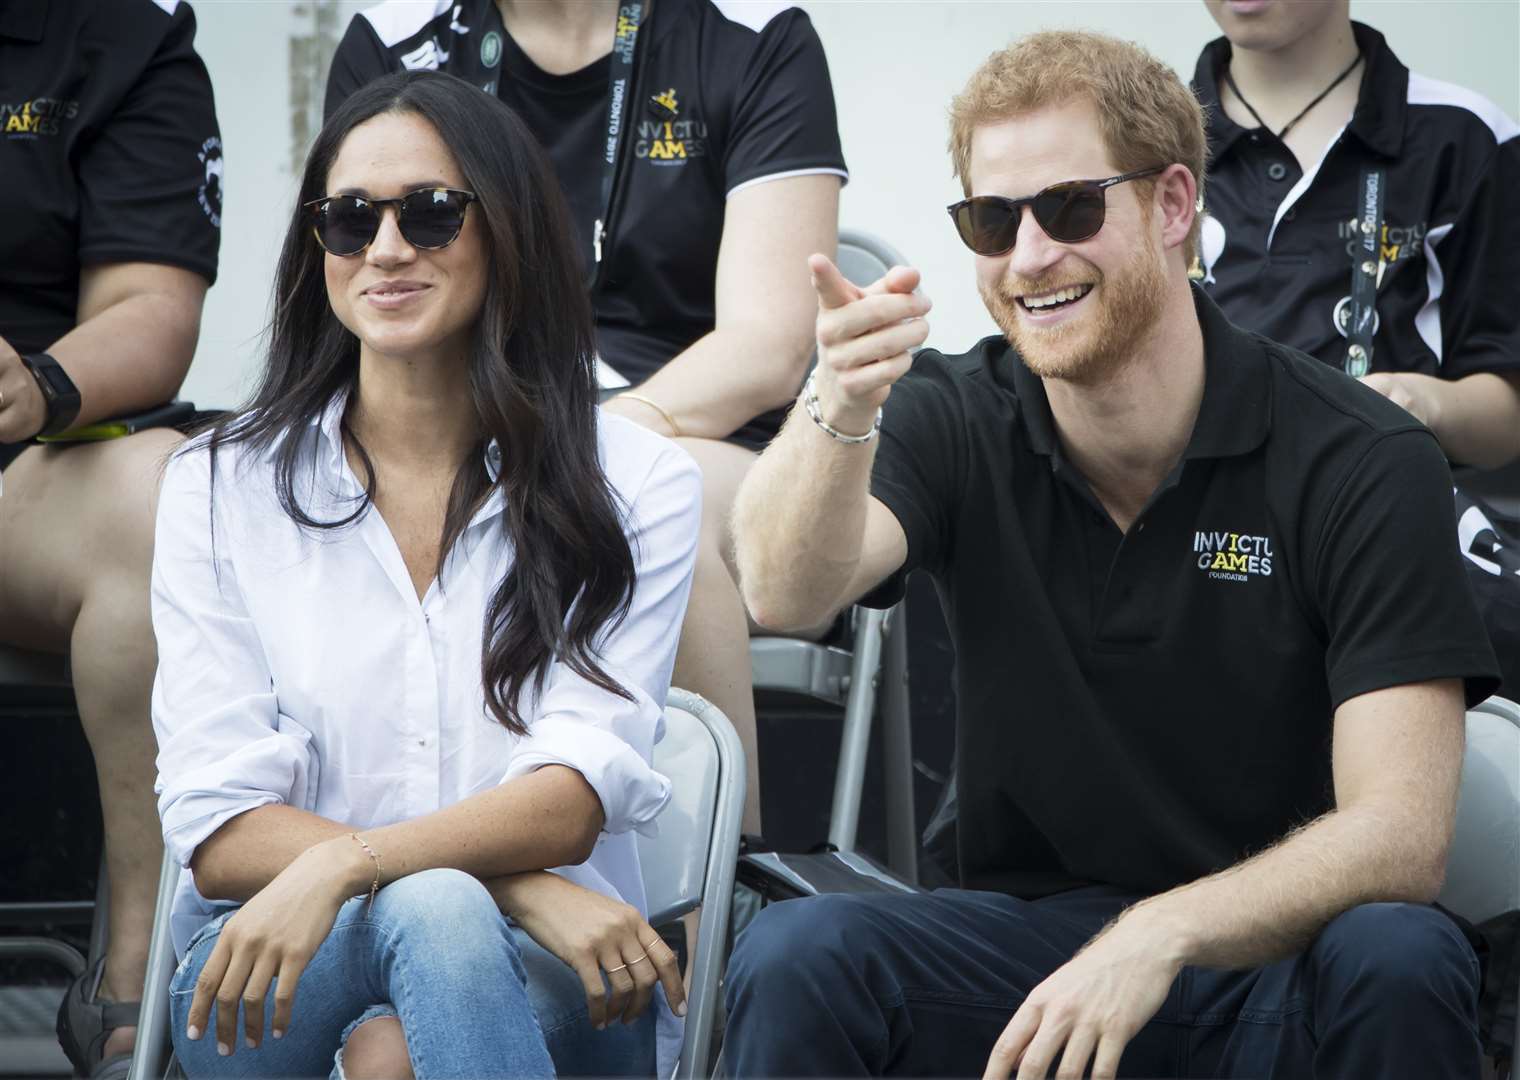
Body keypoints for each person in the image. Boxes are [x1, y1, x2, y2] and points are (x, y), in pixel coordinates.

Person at [724, 30, 1499, 1080]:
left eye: (1070, 208)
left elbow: (1399, 837)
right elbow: (777, 587)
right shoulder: (956, 411)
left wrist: (1158, 933)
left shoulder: (1360, 456)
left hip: (1275, 961)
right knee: (799, 953)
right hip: (1028, 961)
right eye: (992, 221)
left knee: (1401, 953)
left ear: (1173, 205)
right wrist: (837, 401)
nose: (1029, 255)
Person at [152, 71, 699, 1079]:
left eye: (432, 213)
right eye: (349, 220)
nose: (387, 249)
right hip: (270, 972)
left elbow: (569, 798)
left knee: (400, 1039)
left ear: (509, 230)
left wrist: (352, 863)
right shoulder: (216, 486)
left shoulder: (637, 482)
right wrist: (519, 884)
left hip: (560, 978)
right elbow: (219, 827)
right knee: (438, 909)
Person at [325, 0, 849, 831]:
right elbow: (358, 274)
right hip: (460, 422)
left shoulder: (750, 30)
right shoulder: (394, 36)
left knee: (643, 492)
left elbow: (768, 345)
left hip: (694, 431)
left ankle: (713, 914)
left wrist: (584, 438)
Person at [0, 1, 221, 1074]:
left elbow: (148, 304)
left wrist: (39, 385)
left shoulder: (119, 32)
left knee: (166, 494)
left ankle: (134, 987)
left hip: (25, 462)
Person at [1192, 0, 1520, 471]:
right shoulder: (1142, 145)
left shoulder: (1468, 137)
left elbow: (1507, 419)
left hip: (1382, 515)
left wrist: (1418, 403)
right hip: (1194, 523)